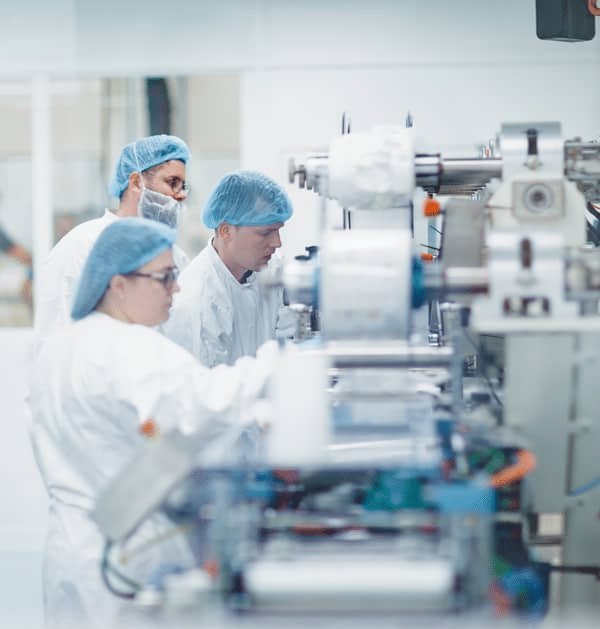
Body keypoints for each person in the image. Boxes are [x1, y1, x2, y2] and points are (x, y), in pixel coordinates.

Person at [29, 217, 277, 629]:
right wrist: (281, 365)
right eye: (164, 278)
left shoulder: (60, 348)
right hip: (126, 557)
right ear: (119, 284)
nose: (176, 290)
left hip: (69, 549)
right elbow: (206, 404)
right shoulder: (129, 348)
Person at [33, 134, 191, 348]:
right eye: (172, 183)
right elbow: (52, 341)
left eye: (182, 186)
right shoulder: (81, 246)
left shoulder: (176, 257)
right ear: (136, 183)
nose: (180, 195)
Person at [162, 170, 293, 367]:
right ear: (226, 231)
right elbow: (210, 390)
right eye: (266, 233)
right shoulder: (199, 299)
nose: (277, 243)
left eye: (278, 230)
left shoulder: (271, 268)